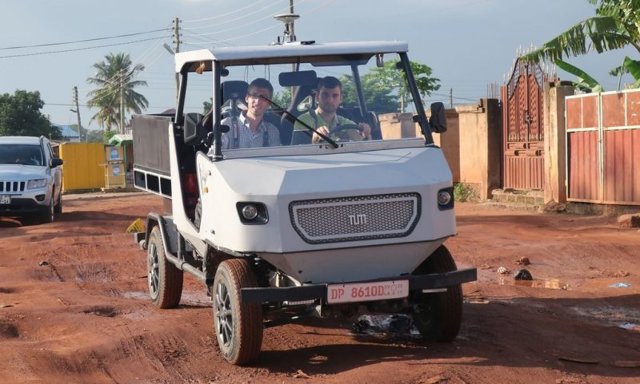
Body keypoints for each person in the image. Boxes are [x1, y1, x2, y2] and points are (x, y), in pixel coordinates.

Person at [210, 78, 281, 152]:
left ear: (269, 102)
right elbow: (214, 159)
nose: (258, 101)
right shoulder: (225, 126)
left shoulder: (272, 131)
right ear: (247, 98)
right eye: (254, 95)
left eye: (264, 97)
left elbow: (279, 160)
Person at [293, 76, 371, 144]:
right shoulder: (303, 121)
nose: (330, 100)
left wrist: (365, 133)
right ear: (317, 96)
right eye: (325, 95)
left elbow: (361, 144)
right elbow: (296, 154)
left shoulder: (345, 123)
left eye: (335, 95)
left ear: (341, 99)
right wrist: (315, 139)